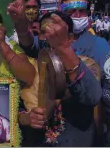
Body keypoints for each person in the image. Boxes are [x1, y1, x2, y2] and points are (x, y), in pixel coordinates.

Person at [19, 11, 103, 146]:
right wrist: (26, 118)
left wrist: (63, 48)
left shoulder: (87, 65)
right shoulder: (30, 69)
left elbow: (92, 96)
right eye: (44, 32)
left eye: (56, 33)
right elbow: (15, 107)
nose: (48, 37)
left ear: (70, 38)